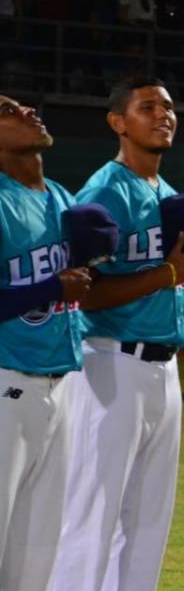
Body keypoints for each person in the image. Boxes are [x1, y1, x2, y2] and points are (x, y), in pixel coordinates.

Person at [50, 77, 184, 591]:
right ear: (118, 122)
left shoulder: (164, 192)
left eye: (168, 106)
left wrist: (177, 272)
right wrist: (167, 274)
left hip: (161, 368)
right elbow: (83, 293)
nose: (163, 114)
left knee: (147, 522)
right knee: (91, 517)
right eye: (147, 107)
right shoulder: (103, 192)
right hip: (108, 363)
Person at [0, 95, 92, 591]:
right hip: (6, 380)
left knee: (38, 549)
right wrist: (52, 288)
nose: (25, 111)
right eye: (6, 110)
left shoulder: (59, 195)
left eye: (23, 106)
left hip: (60, 384)